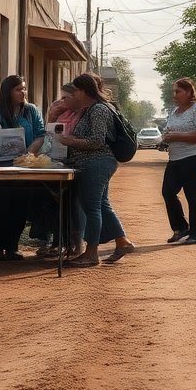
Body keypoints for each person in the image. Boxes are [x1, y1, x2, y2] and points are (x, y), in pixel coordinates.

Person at [58, 73, 137, 266]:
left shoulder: (99, 109)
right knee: (101, 204)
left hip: (97, 163)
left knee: (91, 207)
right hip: (95, 163)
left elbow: (97, 140)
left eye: (75, 90)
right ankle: (122, 242)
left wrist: (71, 141)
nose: (74, 94)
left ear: (84, 91)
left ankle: (91, 253)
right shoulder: (91, 109)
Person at [0, 75, 46, 260]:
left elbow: (40, 135)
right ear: (7, 91)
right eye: (18, 89)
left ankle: (12, 246)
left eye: (24, 89)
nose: (23, 92)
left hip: (23, 166)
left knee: (20, 206)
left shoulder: (31, 110)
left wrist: (28, 153)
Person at [160, 77, 196, 244]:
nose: (175, 95)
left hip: (193, 158)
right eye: (173, 91)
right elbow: (168, 132)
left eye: (178, 91)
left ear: (188, 92)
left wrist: (178, 135)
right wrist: (165, 137)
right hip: (174, 158)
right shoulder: (174, 112)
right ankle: (181, 227)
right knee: (168, 192)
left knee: (192, 195)